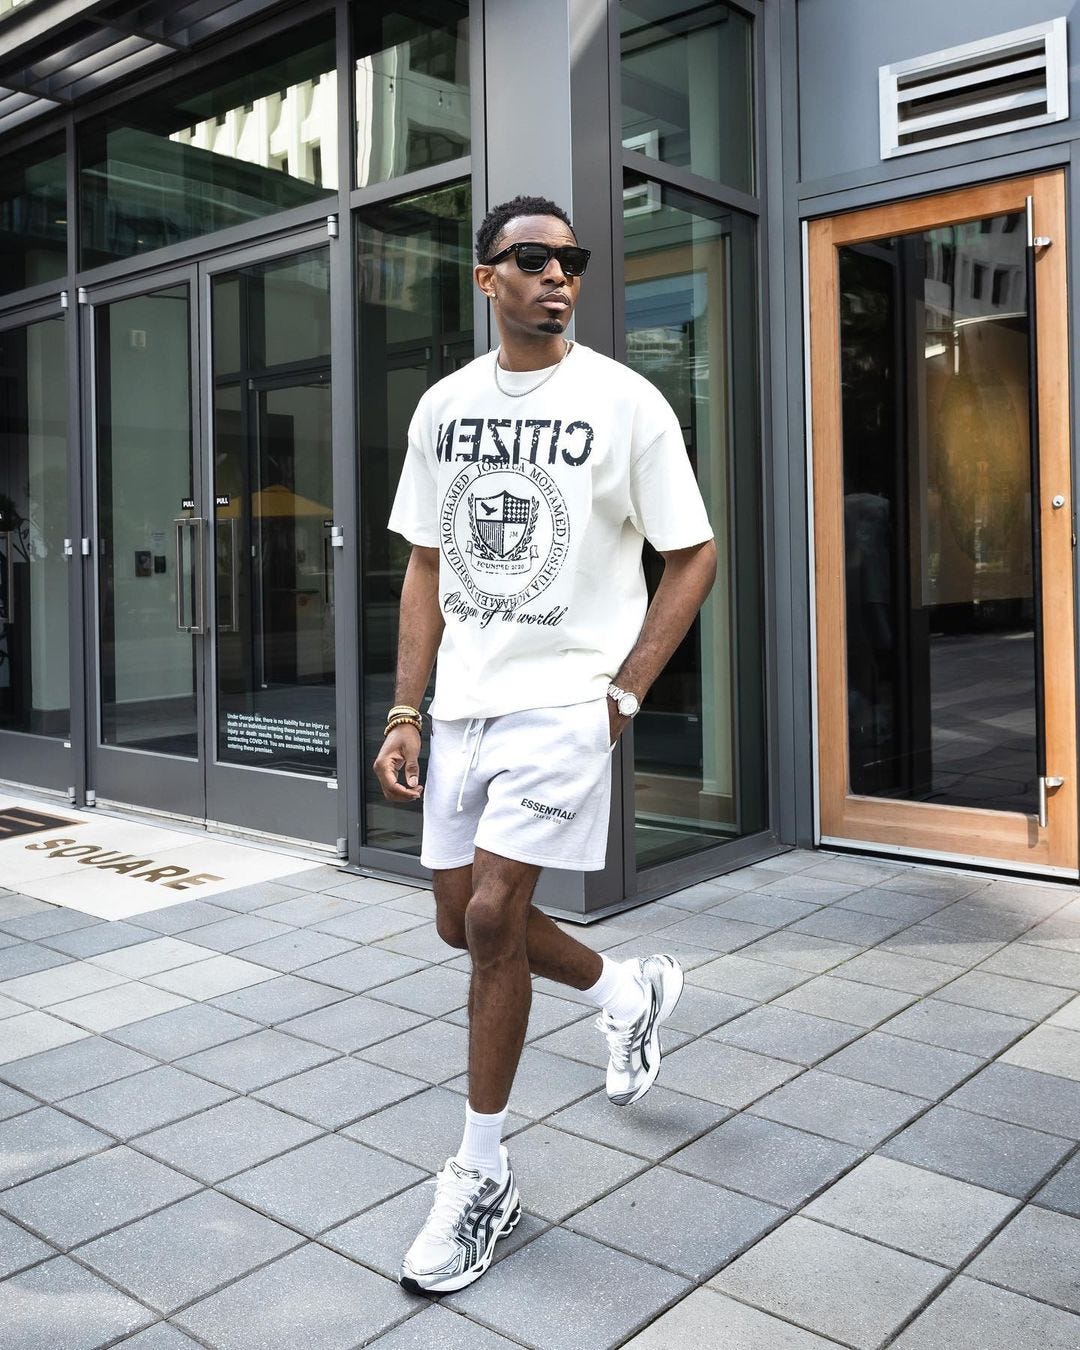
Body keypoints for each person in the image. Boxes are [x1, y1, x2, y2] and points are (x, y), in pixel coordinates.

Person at [374, 194, 717, 1295]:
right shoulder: (443, 406)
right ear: (487, 279)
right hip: (464, 703)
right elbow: (426, 566)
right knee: (457, 921)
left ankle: (480, 1176)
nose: (558, 274)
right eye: (532, 258)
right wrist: (403, 709)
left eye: (571, 258)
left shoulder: (626, 401)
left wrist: (622, 694)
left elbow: (693, 553)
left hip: (567, 703)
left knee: (490, 915)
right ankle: (626, 992)